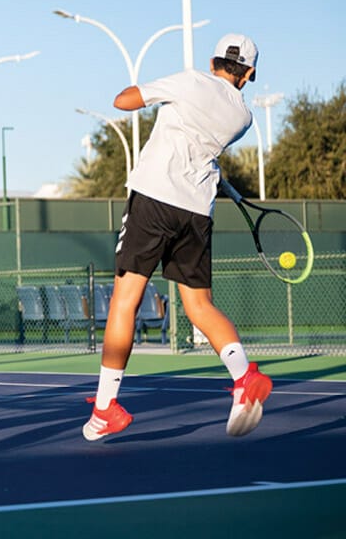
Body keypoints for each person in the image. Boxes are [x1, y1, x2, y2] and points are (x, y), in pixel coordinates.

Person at [84, 33, 273, 441]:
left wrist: (159, 95)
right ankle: (245, 376)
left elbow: (123, 101)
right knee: (200, 305)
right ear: (248, 75)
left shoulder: (190, 80)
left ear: (213, 62)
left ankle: (105, 408)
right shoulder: (243, 117)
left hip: (153, 199)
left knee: (124, 301)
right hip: (196, 211)